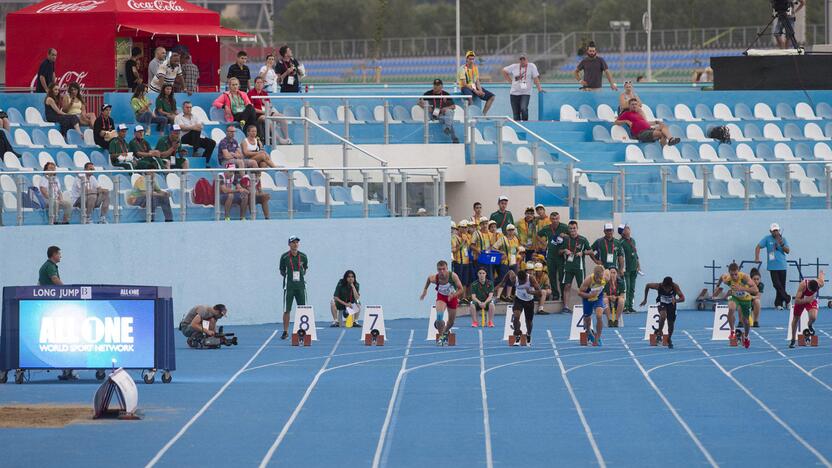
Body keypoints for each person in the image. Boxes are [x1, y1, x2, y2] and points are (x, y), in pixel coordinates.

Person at [714, 262, 758, 349]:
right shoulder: (728, 279)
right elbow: (722, 276)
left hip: (746, 300)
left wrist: (742, 288)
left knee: (746, 321)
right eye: (732, 274)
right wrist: (717, 285)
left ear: (738, 271)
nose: (734, 276)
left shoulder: (744, 277)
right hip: (735, 298)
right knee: (731, 308)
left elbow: (755, 290)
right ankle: (732, 331)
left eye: (735, 274)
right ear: (729, 273)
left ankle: (746, 337)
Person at [420, 260, 463, 345]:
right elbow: (429, 279)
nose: (442, 271)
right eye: (439, 269)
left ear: (447, 268)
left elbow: (461, 289)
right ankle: (441, 336)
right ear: (437, 270)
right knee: (439, 316)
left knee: (451, 322)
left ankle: (446, 332)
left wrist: (453, 295)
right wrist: (425, 290)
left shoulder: (453, 276)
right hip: (441, 297)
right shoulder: (435, 278)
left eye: (444, 269)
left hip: (452, 298)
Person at [497, 263, 541, 345]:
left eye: (523, 282)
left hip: (529, 301)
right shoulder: (514, 279)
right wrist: (503, 282)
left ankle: (528, 334)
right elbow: (510, 271)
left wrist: (530, 292)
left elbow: (540, 293)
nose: (521, 283)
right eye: (520, 282)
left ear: (525, 279)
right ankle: (517, 333)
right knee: (516, 317)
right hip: (519, 299)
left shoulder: (531, 279)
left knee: (528, 321)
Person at [639, 276, 685, 349]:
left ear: (671, 286)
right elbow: (647, 285)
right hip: (661, 303)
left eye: (668, 288)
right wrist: (645, 299)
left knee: (671, 324)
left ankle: (669, 338)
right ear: (663, 285)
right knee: (663, 316)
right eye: (665, 288)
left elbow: (683, 298)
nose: (666, 290)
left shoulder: (675, 287)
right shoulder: (658, 286)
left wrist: (676, 300)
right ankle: (659, 333)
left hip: (671, 304)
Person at [754, 222, 791, 310]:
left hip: (782, 265)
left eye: (777, 230)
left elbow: (788, 251)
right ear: (770, 231)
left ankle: (779, 304)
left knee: (782, 286)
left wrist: (782, 244)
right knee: (776, 284)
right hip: (772, 266)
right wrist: (757, 257)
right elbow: (758, 247)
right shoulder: (767, 239)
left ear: (779, 230)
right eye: (773, 231)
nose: (775, 232)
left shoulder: (783, 239)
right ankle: (788, 299)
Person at [560, 220, 594, 313]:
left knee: (583, 287)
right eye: (570, 228)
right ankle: (566, 307)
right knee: (567, 286)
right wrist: (564, 251)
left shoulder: (583, 239)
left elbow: (591, 251)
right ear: (568, 229)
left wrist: (582, 253)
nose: (572, 230)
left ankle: (586, 306)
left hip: (580, 267)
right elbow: (559, 251)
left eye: (574, 228)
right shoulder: (566, 239)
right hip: (568, 267)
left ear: (577, 228)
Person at [615, 98, 680, 146]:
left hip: (649, 129)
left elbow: (646, 123)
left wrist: (656, 122)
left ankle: (671, 138)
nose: (634, 106)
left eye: (635, 104)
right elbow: (616, 122)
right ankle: (665, 148)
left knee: (663, 126)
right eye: (632, 104)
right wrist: (626, 121)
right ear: (629, 106)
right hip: (640, 133)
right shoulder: (626, 113)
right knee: (662, 134)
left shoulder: (638, 114)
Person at [279, 236, 309, 340]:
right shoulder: (284, 257)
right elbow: (282, 271)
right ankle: (285, 331)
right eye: (293, 242)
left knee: (303, 309)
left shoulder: (303, 256)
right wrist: (290, 277)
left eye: (297, 242)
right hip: (289, 287)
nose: (295, 244)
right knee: (287, 310)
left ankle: (303, 331)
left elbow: (305, 269)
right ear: (289, 244)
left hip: (300, 286)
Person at [248, 76, 291, 144]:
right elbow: (251, 109)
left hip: (267, 112)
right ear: (255, 84)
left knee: (283, 118)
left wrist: (265, 104)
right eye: (257, 82)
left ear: (263, 84)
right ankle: (279, 140)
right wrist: (264, 112)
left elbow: (270, 105)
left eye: (261, 82)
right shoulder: (250, 93)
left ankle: (287, 138)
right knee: (269, 121)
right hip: (258, 115)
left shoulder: (264, 93)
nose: (259, 84)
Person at [502, 53, 543, 121]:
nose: (522, 61)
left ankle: (525, 124)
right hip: (514, 93)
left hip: (525, 93)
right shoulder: (514, 66)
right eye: (521, 59)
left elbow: (536, 78)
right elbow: (504, 71)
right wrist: (510, 82)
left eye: (524, 59)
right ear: (519, 60)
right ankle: (518, 129)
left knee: (523, 109)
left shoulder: (532, 66)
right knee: (516, 114)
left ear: (527, 60)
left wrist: (540, 89)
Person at [537, 211, 568, 301]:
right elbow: (538, 235)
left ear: (559, 218)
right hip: (550, 255)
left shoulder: (564, 227)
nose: (555, 221)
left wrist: (565, 235)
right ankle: (555, 294)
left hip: (560, 256)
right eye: (553, 219)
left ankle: (563, 295)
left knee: (562, 276)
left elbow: (572, 236)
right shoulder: (547, 228)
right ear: (550, 219)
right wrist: (544, 243)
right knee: (552, 276)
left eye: (556, 219)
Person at [789, 271, 825, 348]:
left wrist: (822, 273)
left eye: (813, 291)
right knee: (795, 319)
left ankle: (809, 324)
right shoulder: (803, 285)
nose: (812, 292)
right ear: (808, 286)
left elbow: (821, 277)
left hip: (811, 300)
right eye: (811, 291)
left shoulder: (820, 283)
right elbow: (796, 300)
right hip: (801, 300)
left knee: (813, 317)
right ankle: (792, 339)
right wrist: (806, 300)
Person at [577, 265, 609, 346]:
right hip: (588, 298)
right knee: (587, 319)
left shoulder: (606, 277)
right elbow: (579, 293)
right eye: (597, 278)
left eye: (600, 277)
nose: (599, 280)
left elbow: (609, 273)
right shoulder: (588, 280)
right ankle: (589, 331)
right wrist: (590, 295)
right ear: (594, 275)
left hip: (598, 297)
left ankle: (597, 337)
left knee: (599, 316)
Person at [419, 78, 459, 143]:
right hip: (434, 114)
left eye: (437, 85)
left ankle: (448, 129)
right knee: (449, 119)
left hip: (443, 114)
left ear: (441, 86)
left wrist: (445, 108)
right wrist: (426, 107)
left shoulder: (446, 94)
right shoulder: (428, 93)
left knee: (449, 112)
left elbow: (453, 106)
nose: (435, 86)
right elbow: (419, 102)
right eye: (434, 84)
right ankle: (453, 136)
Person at [457, 51, 495, 115]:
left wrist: (480, 90)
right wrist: (476, 91)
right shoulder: (462, 69)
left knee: (492, 97)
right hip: (465, 87)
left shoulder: (475, 68)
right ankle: (469, 116)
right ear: (466, 59)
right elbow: (464, 84)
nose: (471, 61)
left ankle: (483, 114)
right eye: (470, 59)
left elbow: (477, 81)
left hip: (474, 86)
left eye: (473, 59)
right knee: (470, 97)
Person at [619, 223, 640, 313]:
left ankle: (630, 306)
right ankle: (625, 307)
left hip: (634, 268)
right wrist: (621, 269)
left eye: (628, 228)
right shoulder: (621, 242)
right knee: (626, 288)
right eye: (626, 228)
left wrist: (638, 264)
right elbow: (620, 256)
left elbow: (635, 253)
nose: (628, 229)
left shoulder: (633, 240)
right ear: (622, 232)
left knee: (632, 288)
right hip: (626, 269)